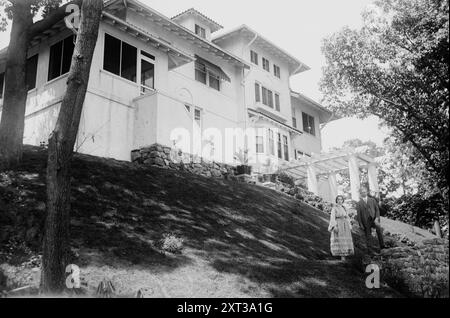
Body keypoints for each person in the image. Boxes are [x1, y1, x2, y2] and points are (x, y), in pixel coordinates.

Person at [356, 187, 385, 254]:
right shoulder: (359, 203)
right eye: (362, 192)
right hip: (366, 221)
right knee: (368, 235)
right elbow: (359, 215)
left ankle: (382, 246)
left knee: (379, 231)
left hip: (374, 219)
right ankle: (370, 250)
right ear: (360, 194)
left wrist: (377, 218)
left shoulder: (372, 200)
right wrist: (361, 224)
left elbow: (377, 209)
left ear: (367, 192)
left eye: (365, 192)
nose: (364, 193)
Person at [328, 195, 354, 261]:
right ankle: (342, 257)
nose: (340, 201)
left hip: (345, 225)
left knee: (345, 239)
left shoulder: (344, 208)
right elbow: (332, 217)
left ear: (343, 200)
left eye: (341, 199)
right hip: (338, 224)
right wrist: (334, 226)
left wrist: (349, 225)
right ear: (336, 200)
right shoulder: (334, 208)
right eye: (338, 199)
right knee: (340, 240)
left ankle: (345, 255)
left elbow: (347, 217)